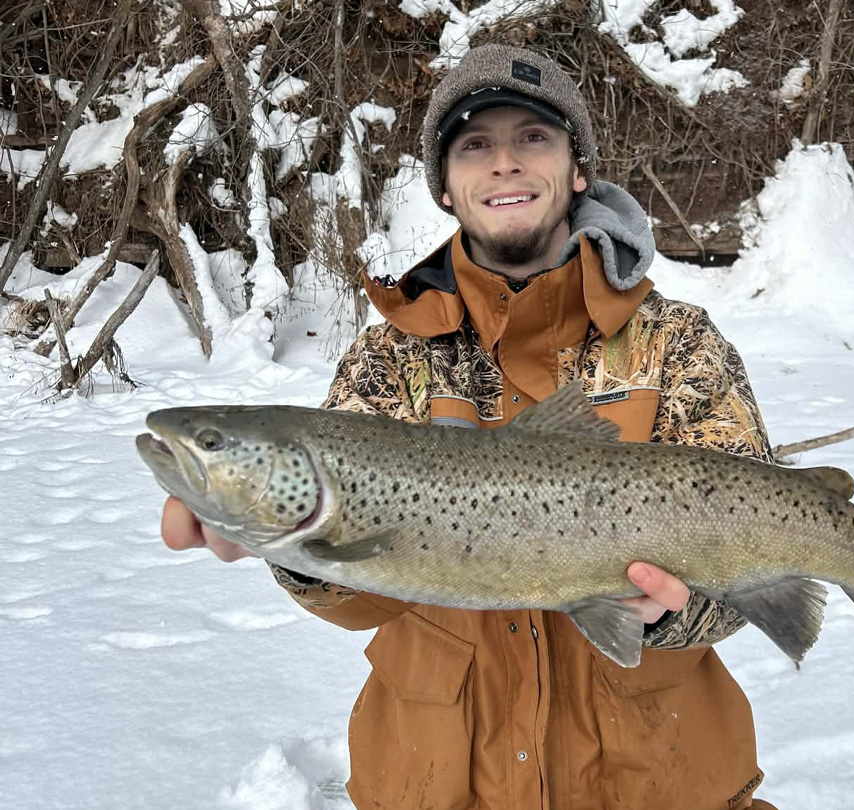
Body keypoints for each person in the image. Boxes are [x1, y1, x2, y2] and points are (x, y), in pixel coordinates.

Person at [162, 44, 778, 810]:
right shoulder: (391, 356)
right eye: (475, 145)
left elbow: (760, 566)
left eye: (534, 138)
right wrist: (291, 551)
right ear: (445, 187)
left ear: (577, 169)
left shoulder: (677, 345)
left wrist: (673, 615)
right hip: (441, 781)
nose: (505, 164)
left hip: (657, 777)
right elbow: (363, 595)